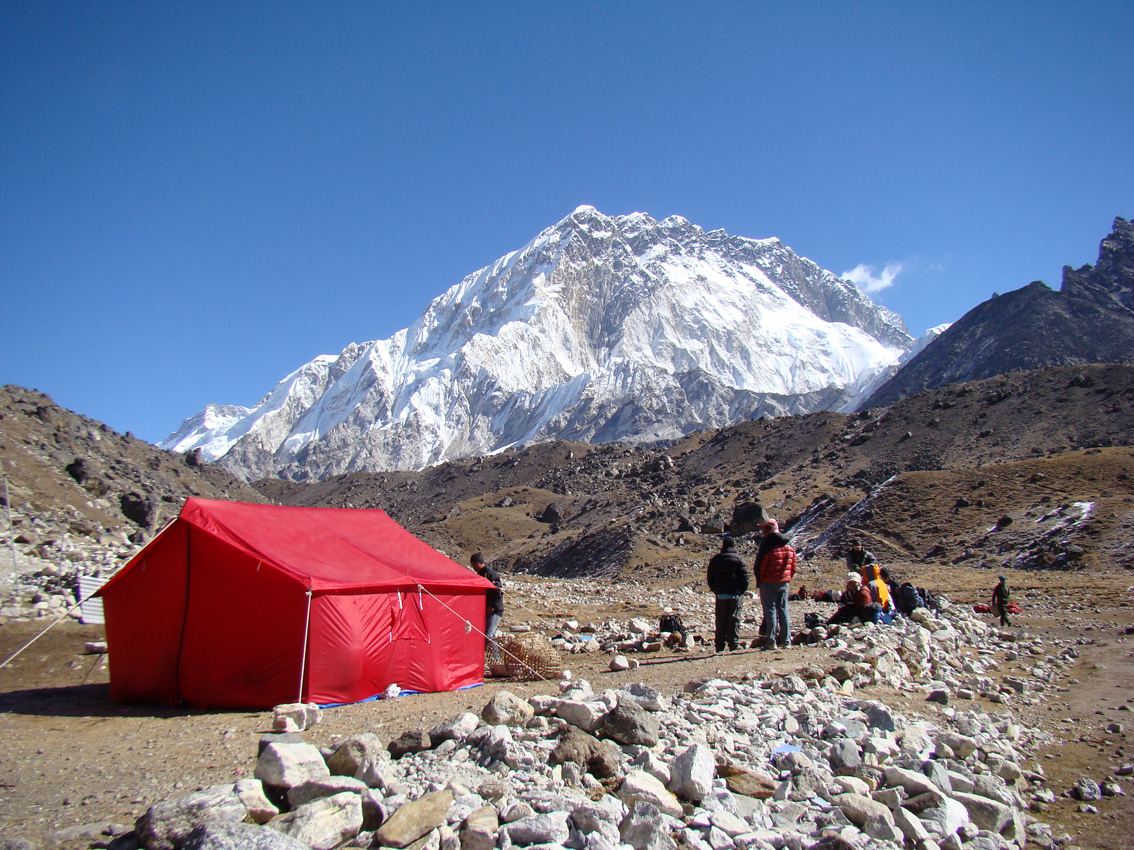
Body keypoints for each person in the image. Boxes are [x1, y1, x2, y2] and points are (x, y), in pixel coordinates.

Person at [753, 519, 796, 650]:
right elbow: (793, 566)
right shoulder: (788, 545)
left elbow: (760, 565)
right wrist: (787, 577)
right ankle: (786, 640)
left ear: (769, 529)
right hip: (783, 582)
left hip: (768, 582)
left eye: (764, 528)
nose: (762, 531)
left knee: (770, 611)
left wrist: (761, 580)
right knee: (783, 610)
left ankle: (771, 641)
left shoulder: (766, 545)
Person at [706, 534, 749, 652]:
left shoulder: (716, 559)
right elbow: (745, 577)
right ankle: (733, 644)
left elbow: (710, 577)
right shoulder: (738, 559)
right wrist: (742, 590)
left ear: (723, 546)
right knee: (734, 618)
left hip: (721, 594)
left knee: (721, 619)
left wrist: (715, 590)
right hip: (735, 594)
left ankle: (719, 645)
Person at [471, 552, 504, 640]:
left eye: (474, 565)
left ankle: (489, 653)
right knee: (490, 634)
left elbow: (498, 591)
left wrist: (492, 606)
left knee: (489, 635)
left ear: (478, 563)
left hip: (494, 610)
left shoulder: (489, 573)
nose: (473, 568)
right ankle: (494, 654)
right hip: (486, 609)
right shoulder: (480, 574)